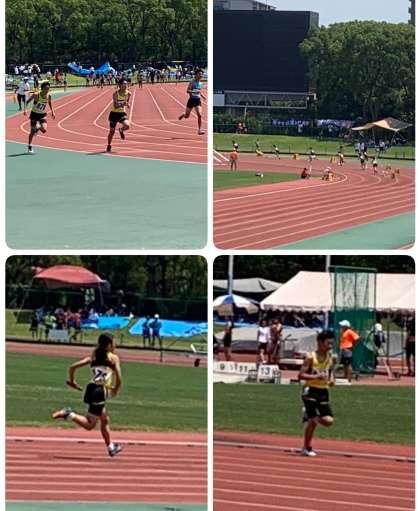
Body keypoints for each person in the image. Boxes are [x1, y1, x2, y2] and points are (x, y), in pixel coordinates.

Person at [52, 333, 123, 457]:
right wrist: (116, 389)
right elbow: (119, 376)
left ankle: (111, 447)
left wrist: (72, 381)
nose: (115, 345)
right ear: (108, 345)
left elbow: (72, 367)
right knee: (90, 425)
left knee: (104, 418)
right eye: (113, 343)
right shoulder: (114, 358)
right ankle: (69, 414)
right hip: (100, 392)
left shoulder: (93, 357)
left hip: (90, 389)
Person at [299, 330, 336, 457]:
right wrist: (316, 376)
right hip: (310, 390)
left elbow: (330, 371)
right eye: (328, 343)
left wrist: (332, 379)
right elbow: (300, 375)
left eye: (332, 344)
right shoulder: (310, 357)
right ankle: (307, 447)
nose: (330, 346)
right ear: (320, 342)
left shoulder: (330, 357)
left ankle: (309, 416)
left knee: (328, 421)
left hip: (323, 391)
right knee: (313, 422)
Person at [24, 81, 55, 154]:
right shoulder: (36, 95)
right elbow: (27, 102)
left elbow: (50, 103)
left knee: (44, 130)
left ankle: (37, 127)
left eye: (48, 88)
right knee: (32, 132)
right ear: (42, 88)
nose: (47, 90)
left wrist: (53, 112)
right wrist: (25, 110)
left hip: (42, 114)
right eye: (46, 88)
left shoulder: (49, 96)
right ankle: (30, 146)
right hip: (34, 114)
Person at [106, 79, 131, 153]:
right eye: (124, 84)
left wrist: (127, 104)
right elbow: (115, 106)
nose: (126, 85)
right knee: (112, 132)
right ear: (119, 85)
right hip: (114, 114)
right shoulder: (115, 94)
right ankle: (109, 145)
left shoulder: (129, 93)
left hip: (122, 113)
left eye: (126, 84)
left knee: (127, 126)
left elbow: (127, 102)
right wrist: (123, 104)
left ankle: (121, 130)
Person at [178, 68, 205, 135]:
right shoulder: (192, 82)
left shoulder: (201, 83)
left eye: (201, 74)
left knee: (199, 114)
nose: (201, 76)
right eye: (199, 74)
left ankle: (199, 130)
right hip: (191, 100)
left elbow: (199, 91)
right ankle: (184, 114)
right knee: (187, 116)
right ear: (196, 75)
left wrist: (202, 96)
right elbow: (187, 91)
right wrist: (194, 92)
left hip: (197, 100)